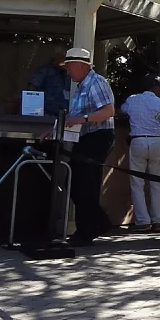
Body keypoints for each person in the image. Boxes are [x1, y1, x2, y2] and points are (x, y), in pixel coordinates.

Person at [61, 47, 116, 245]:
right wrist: (54, 130)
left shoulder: (96, 82)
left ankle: (86, 231)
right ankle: (100, 222)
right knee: (76, 184)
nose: (67, 72)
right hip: (85, 138)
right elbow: (72, 118)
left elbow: (109, 111)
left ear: (80, 65)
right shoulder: (82, 86)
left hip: (98, 136)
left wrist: (83, 119)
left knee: (86, 184)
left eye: (69, 67)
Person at [120, 75, 160, 231]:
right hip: (157, 141)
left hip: (138, 140)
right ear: (153, 87)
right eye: (159, 86)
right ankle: (158, 220)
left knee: (137, 183)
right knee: (158, 183)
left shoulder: (132, 100)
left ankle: (142, 221)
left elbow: (122, 111)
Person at [28, 45, 71, 119]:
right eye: (63, 57)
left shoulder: (69, 73)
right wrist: (33, 109)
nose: (65, 60)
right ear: (56, 57)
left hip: (65, 114)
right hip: (46, 115)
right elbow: (31, 89)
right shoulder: (45, 71)